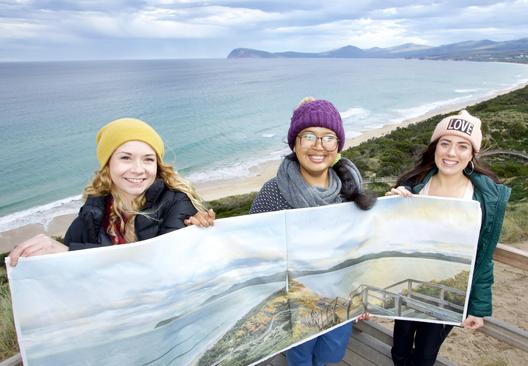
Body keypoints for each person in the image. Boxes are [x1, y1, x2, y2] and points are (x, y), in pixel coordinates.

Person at [250, 97, 376, 366]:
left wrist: (362, 294)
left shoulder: (351, 189)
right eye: (308, 136)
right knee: (300, 356)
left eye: (328, 137)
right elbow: (253, 245)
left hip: (340, 297)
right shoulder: (273, 192)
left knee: (331, 354)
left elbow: (363, 247)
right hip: (294, 303)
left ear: (338, 145)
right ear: (294, 143)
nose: (319, 146)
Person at [386, 110, 510, 366]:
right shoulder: (413, 185)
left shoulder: (484, 199)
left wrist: (479, 306)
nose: (452, 153)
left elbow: (484, 257)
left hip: (450, 293)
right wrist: (390, 207)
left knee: (425, 356)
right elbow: (389, 239)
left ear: (472, 154)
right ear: (435, 148)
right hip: (409, 285)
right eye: (445, 143)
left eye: (462, 146)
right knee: (399, 349)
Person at [9, 117, 214, 266]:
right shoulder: (91, 211)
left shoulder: (175, 202)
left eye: (148, 159)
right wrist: (49, 255)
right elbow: (70, 271)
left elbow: (158, 263)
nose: (138, 169)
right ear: (108, 165)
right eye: (125, 157)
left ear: (158, 165)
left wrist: (70, 252)